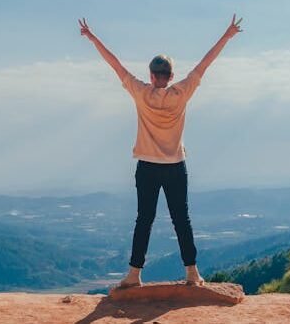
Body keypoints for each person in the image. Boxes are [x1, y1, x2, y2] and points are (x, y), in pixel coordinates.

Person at [79, 15, 242, 288]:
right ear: (171, 76)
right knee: (182, 219)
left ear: (152, 76)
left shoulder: (141, 92)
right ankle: (192, 272)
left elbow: (115, 65)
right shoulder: (182, 92)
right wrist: (227, 35)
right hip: (176, 165)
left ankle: (134, 274)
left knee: (144, 220)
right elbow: (205, 63)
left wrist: (93, 38)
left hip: (147, 166)